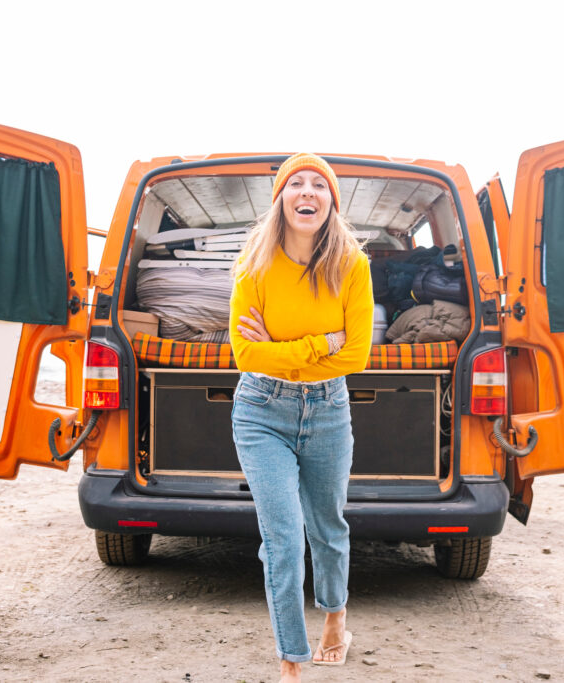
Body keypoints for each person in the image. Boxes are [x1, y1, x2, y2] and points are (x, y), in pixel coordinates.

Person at [229, 152, 374, 682]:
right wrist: (319, 343)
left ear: (331, 202)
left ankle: (336, 618)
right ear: (281, 199)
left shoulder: (352, 266)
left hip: (329, 408)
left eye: (319, 185)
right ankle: (292, 659)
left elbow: (356, 356)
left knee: (328, 527)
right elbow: (247, 356)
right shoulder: (254, 266)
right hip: (260, 410)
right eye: (297, 184)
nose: (308, 192)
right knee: (283, 539)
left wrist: (282, 348)